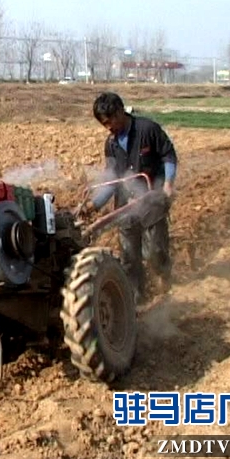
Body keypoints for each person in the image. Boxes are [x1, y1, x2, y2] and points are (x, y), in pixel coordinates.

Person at [82, 91, 178, 302]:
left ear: (119, 112)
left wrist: (168, 184)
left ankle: (165, 283)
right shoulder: (111, 144)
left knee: (155, 251)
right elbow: (113, 179)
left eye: (110, 121)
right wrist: (94, 205)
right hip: (125, 206)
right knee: (129, 258)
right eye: (104, 124)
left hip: (152, 199)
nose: (108, 128)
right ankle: (136, 300)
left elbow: (169, 156)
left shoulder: (147, 129)